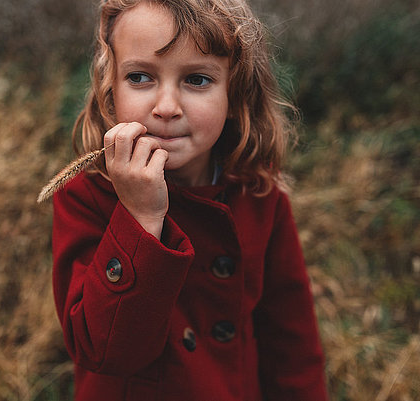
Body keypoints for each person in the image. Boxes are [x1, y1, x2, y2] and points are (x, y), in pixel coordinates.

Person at [51, 0, 328, 399]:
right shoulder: (85, 198)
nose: (166, 108)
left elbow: (292, 343)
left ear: (234, 94)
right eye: (141, 77)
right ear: (110, 90)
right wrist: (140, 217)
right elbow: (102, 350)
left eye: (197, 80)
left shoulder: (259, 196)